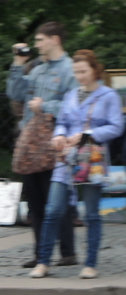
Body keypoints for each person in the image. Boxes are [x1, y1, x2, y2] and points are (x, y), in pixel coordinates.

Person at [30, 50, 124, 280]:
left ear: (95, 70)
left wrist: (86, 134)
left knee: (91, 213)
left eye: (83, 71)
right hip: (67, 158)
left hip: (92, 160)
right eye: (76, 72)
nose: (80, 76)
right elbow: (62, 122)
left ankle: (90, 263)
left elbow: (117, 127)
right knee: (52, 210)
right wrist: (59, 136)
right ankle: (43, 262)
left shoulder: (108, 95)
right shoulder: (72, 95)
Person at [7, 21, 77, 267]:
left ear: (54, 39)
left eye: (40, 40)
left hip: (56, 142)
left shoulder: (70, 69)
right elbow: (15, 94)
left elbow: (74, 107)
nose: (36, 45)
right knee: (35, 200)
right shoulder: (37, 69)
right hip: (32, 143)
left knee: (56, 200)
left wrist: (45, 106)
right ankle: (40, 255)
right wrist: (17, 64)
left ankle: (68, 252)